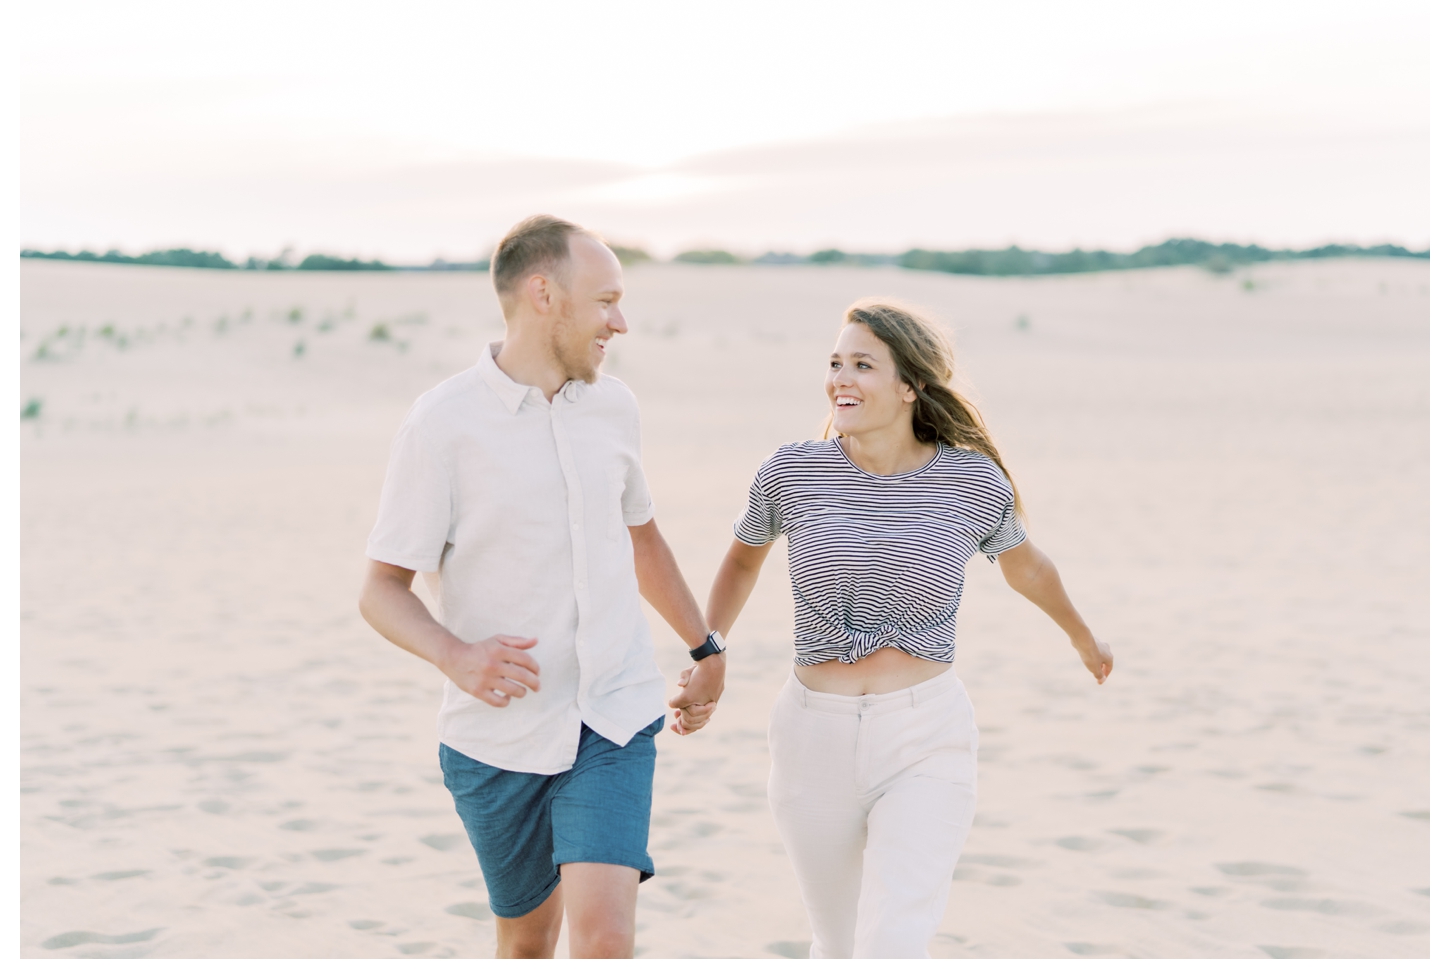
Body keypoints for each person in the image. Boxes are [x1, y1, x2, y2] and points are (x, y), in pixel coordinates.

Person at [699, 298, 1113, 958]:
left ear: (909, 387)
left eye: (862, 364)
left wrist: (1083, 638)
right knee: (838, 947)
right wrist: (708, 648)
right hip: (812, 737)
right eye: (835, 363)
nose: (841, 378)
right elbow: (743, 559)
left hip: (926, 737)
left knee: (892, 945)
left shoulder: (971, 480)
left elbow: (1027, 568)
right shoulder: (793, 471)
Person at [358, 215, 725, 959]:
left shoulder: (616, 408)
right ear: (543, 294)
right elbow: (381, 589)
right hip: (499, 737)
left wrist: (703, 643)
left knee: (603, 939)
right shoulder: (442, 425)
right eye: (606, 301)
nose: (620, 323)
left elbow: (641, 536)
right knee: (527, 944)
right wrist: (455, 655)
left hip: (614, 717)